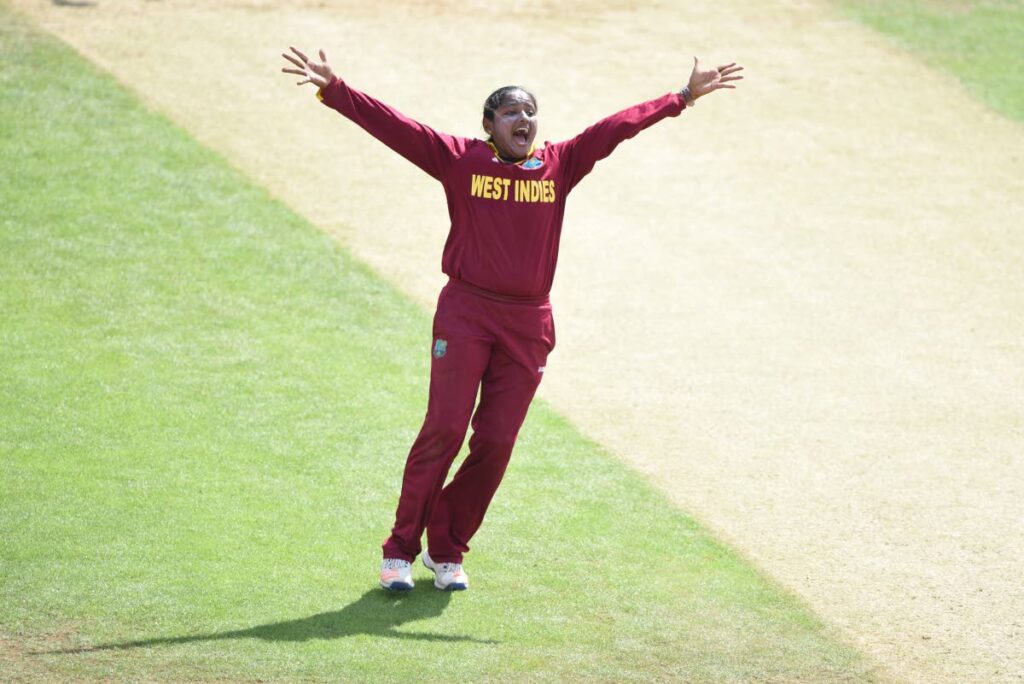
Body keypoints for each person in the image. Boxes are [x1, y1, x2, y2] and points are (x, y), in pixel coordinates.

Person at [281, 47, 742, 592]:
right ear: (488, 125)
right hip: (467, 313)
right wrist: (336, 91)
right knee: (445, 429)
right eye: (511, 113)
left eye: (530, 112)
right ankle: (400, 550)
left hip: (528, 325)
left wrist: (681, 97)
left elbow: (615, 129)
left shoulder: (559, 164)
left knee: (496, 441)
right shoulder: (460, 159)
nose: (524, 120)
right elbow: (397, 129)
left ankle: (446, 547)